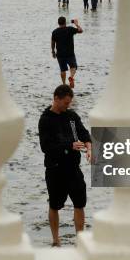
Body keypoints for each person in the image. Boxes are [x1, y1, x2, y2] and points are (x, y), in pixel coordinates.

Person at [38, 84, 92, 247]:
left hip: (73, 169)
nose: (68, 106)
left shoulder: (72, 116)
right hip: (55, 169)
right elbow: (45, 147)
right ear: (56, 98)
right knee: (54, 205)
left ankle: (80, 239)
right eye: (66, 103)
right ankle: (56, 240)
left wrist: (89, 147)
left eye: (70, 103)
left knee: (80, 203)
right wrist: (69, 146)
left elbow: (84, 134)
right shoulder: (45, 120)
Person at [51, 16, 83, 88]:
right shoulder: (70, 29)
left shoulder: (55, 32)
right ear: (65, 22)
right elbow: (81, 31)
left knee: (62, 70)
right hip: (70, 53)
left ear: (58, 23)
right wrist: (76, 24)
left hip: (60, 54)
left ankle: (64, 84)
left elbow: (53, 43)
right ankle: (71, 77)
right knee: (73, 67)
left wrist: (53, 52)